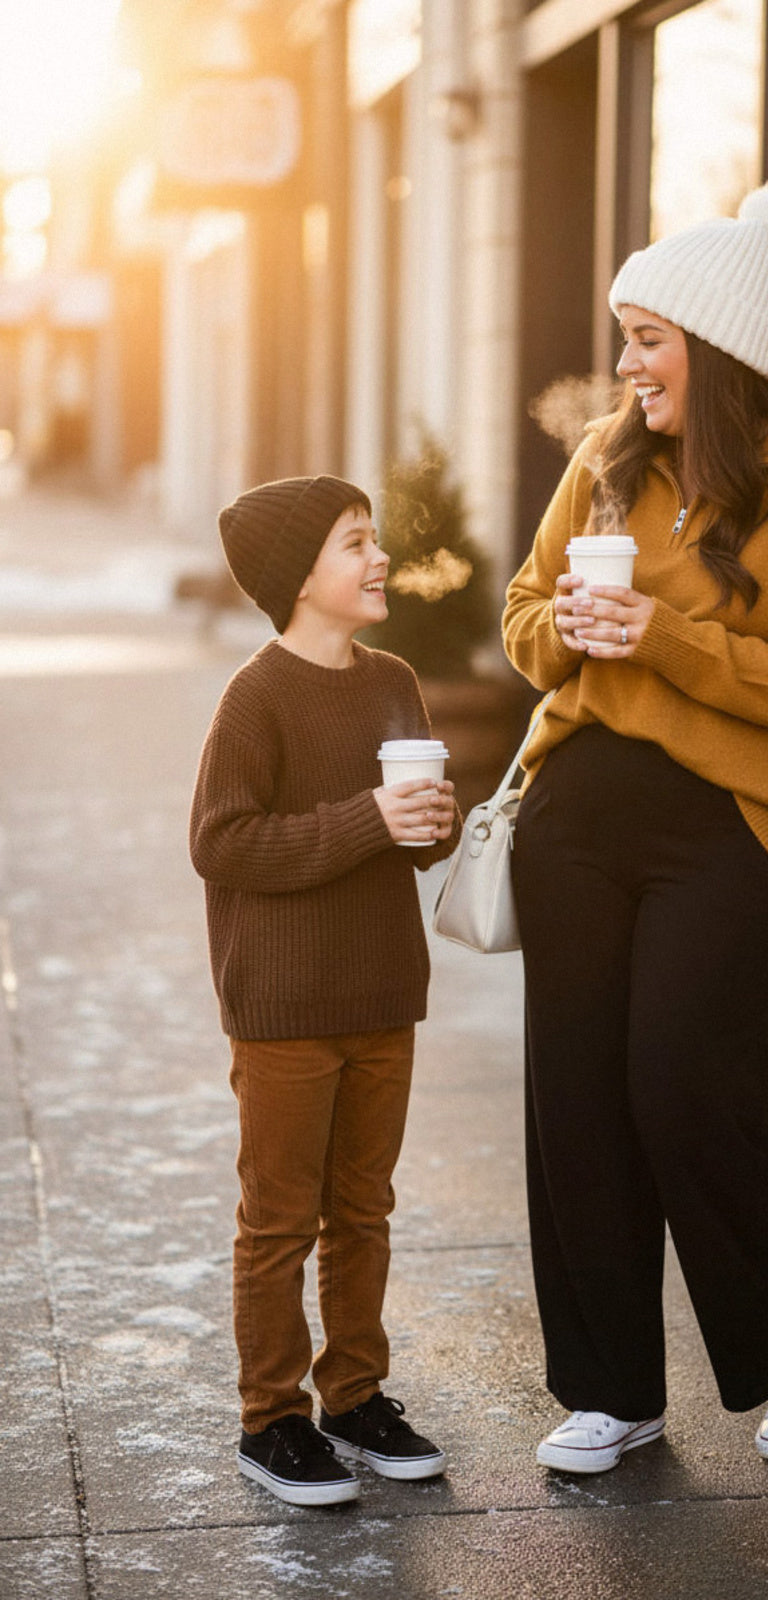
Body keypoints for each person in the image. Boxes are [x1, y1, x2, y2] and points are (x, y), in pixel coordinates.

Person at [502, 184, 768, 1474]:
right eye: (622, 336)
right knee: (575, 1100)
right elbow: (517, 620)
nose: (624, 365)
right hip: (575, 819)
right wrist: (571, 625)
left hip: (736, 830)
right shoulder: (605, 463)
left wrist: (669, 641)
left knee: (680, 1085)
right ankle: (612, 1388)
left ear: (714, 346)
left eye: (646, 338)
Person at [190, 475, 459, 1506]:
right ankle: (271, 1417)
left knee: (363, 1208)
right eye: (356, 542)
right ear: (301, 578)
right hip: (285, 1009)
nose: (379, 556)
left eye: (374, 537)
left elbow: (414, 828)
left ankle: (353, 1394)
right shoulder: (254, 696)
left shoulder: (394, 679)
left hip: (384, 992)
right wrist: (365, 821)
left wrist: (429, 818)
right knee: (278, 1220)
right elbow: (218, 840)